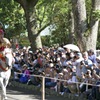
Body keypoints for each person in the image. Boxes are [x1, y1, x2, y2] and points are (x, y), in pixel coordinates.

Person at [0, 22, 13, 100]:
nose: (1, 36)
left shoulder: (5, 40)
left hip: (5, 52)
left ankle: (12, 72)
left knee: (12, 59)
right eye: (0, 35)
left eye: (2, 34)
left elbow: (8, 45)